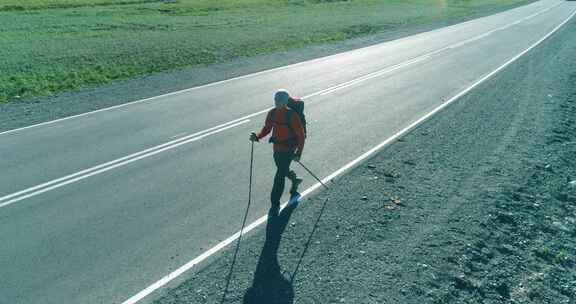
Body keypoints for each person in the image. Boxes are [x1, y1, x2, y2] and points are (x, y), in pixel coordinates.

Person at [250, 89, 306, 215]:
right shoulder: (272, 113)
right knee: (282, 169)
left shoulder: (292, 115)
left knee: (279, 174)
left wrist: (298, 153)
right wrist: (257, 136)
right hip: (277, 149)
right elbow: (267, 128)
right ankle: (295, 179)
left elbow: (301, 136)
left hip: (289, 149)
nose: (277, 102)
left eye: (280, 100)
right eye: (276, 99)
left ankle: (275, 202)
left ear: (285, 101)